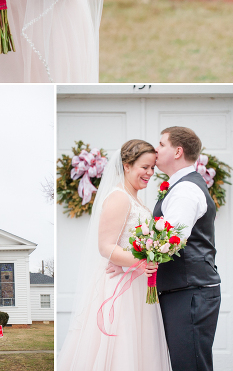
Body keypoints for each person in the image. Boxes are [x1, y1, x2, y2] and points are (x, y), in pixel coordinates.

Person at [57, 140, 171, 371]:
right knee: (122, 349)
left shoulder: (135, 198)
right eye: (144, 167)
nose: (150, 173)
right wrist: (142, 261)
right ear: (127, 165)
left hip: (138, 284)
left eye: (152, 168)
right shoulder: (119, 197)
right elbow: (106, 247)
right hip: (120, 289)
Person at [153, 127, 220, 371]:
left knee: (189, 365)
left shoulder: (185, 190)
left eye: (161, 144)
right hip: (185, 289)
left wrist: (129, 262)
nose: (155, 150)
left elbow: (170, 241)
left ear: (178, 151)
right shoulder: (180, 186)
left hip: (190, 292)